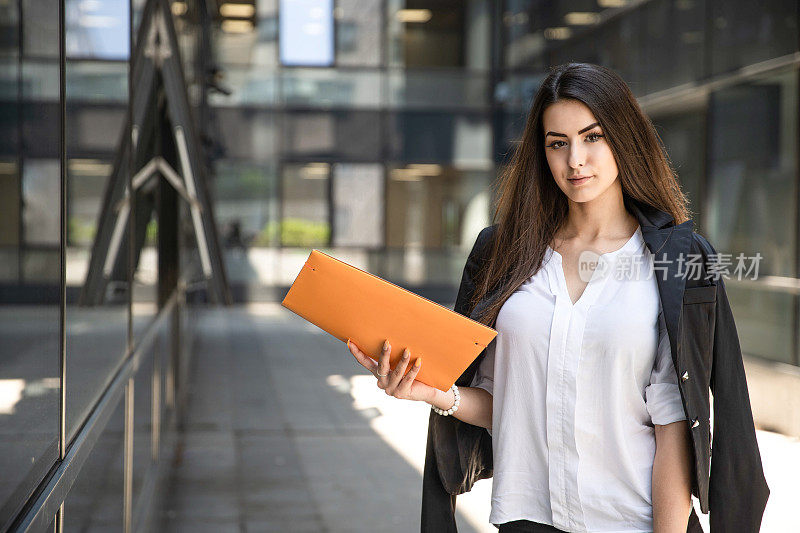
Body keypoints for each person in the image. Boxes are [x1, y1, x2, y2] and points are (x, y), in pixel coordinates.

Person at [347, 62, 769, 533]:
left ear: (623, 139)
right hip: (526, 520)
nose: (575, 161)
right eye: (557, 144)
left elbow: (673, 427)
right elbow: (507, 401)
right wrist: (437, 394)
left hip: (632, 523)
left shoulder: (675, 260)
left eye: (593, 137)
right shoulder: (502, 252)